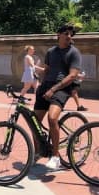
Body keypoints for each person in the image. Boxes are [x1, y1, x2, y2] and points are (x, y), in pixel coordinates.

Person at [34, 24, 82, 170]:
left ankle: (55, 157)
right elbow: (47, 70)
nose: (69, 36)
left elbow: (73, 75)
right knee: (34, 122)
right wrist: (39, 82)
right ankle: (38, 152)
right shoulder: (51, 51)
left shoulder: (74, 53)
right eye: (66, 33)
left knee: (52, 118)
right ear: (58, 35)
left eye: (70, 34)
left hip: (62, 88)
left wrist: (54, 88)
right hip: (46, 86)